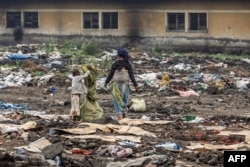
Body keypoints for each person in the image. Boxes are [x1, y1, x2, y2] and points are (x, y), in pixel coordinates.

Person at [104, 48, 139, 120]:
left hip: (116, 85)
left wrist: (106, 82)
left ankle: (119, 116)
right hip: (125, 85)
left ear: (118, 55)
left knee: (117, 100)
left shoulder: (115, 64)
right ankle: (123, 115)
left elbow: (110, 75)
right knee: (124, 100)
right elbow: (131, 76)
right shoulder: (128, 64)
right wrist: (136, 85)